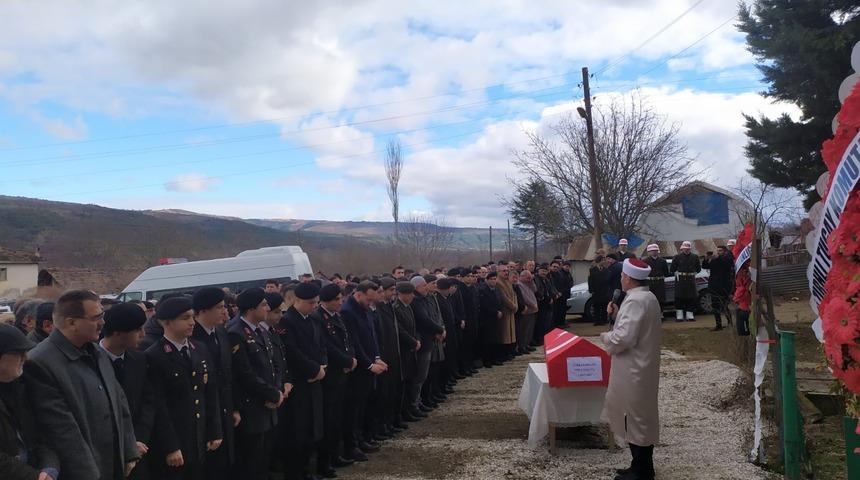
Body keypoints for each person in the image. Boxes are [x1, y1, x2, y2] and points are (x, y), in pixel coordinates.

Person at [25, 289, 139, 480]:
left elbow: (119, 402)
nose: (103, 323)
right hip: (82, 471)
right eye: (96, 318)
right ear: (72, 323)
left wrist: (129, 450)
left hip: (112, 463)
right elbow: (62, 429)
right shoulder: (40, 362)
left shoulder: (97, 352)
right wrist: (90, 474)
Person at [145, 296, 222, 480]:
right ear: (166, 322)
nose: (191, 322)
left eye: (192, 317)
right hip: (176, 439)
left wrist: (215, 430)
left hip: (199, 436)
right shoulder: (154, 356)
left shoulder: (199, 348)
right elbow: (159, 406)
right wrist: (170, 446)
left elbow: (209, 393)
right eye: (185, 318)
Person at [601, 259, 661, 480]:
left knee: (636, 417)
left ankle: (642, 471)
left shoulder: (636, 300)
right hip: (641, 365)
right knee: (637, 415)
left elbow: (625, 337)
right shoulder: (647, 297)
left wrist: (606, 337)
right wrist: (617, 316)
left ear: (627, 277)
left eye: (622, 276)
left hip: (634, 367)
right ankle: (640, 465)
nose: (621, 279)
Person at [228, 288, 283, 480]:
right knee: (250, 462)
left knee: (263, 460)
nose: (268, 308)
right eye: (264, 304)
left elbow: (273, 363)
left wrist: (277, 390)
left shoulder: (259, 330)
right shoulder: (236, 333)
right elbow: (245, 374)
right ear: (251, 308)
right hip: (252, 407)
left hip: (268, 406)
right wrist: (272, 394)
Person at [100, 303, 155, 480]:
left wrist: (137, 440)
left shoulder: (138, 359)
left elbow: (147, 401)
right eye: (137, 330)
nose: (143, 335)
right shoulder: (91, 361)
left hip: (139, 449)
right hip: (106, 454)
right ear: (117, 333)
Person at [279, 283, 326, 479]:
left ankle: (308, 469)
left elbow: (321, 344)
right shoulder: (287, 322)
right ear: (297, 301)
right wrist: (314, 369)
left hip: (315, 380)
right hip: (299, 383)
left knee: (312, 429)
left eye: (316, 302)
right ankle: (295, 473)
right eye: (310, 303)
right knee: (297, 432)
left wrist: (323, 365)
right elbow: (292, 352)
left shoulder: (313, 318)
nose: (314, 306)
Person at [0, 323, 59, 480]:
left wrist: (49, 467)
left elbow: (41, 435)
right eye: (18, 353)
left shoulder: (21, 387)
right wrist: (32, 476)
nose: (25, 358)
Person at [190, 287, 235, 480]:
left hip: (225, 409)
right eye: (219, 307)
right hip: (205, 415)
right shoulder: (192, 339)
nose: (224, 311)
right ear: (202, 311)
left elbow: (229, 376)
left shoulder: (221, 333)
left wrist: (235, 408)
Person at [340, 281, 386, 461]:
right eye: (368, 300)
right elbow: (354, 343)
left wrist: (377, 357)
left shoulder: (364, 309)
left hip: (369, 365)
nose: (371, 304)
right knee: (353, 410)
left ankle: (361, 439)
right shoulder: (347, 312)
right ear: (358, 294)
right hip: (358, 370)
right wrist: (368, 364)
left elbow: (371, 336)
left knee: (363, 407)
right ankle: (351, 446)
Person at [313, 283, 356, 472]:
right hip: (330, 376)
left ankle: (335, 455)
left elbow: (347, 340)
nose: (341, 302)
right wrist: (346, 361)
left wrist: (351, 359)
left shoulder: (336, 316)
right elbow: (327, 347)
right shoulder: (318, 318)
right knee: (329, 421)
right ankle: (324, 462)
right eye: (337, 299)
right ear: (327, 301)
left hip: (342, 374)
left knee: (338, 418)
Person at [392, 281, 421, 422]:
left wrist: (416, 340)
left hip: (411, 349)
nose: (412, 297)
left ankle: (410, 409)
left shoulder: (407, 307)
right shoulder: (396, 308)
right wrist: (413, 341)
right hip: (404, 350)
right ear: (402, 294)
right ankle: (403, 412)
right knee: (404, 384)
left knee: (411, 380)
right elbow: (401, 331)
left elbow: (413, 326)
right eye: (410, 294)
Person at [702, 246, 735, 331]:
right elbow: (705, 266)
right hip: (714, 286)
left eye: (720, 251)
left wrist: (718, 258)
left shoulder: (727, 258)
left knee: (724, 305)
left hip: (724, 286)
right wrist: (706, 258)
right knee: (715, 306)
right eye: (717, 251)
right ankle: (718, 325)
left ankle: (730, 323)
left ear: (724, 251)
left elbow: (728, 265)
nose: (718, 252)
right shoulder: (714, 260)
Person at [670, 241, 701, 322]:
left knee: (691, 297)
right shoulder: (677, 257)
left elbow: (698, 268)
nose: (686, 250)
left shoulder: (695, 257)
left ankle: (689, 314)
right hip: (680, 280)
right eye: (685, 249)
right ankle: (679, 315)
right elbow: (672, 268)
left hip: (690, 279)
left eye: (688, 249)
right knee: (679, 297)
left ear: (690, 249)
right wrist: (676, 272)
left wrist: (694, 273)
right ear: (682, 249)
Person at [476, 272, 503, 367]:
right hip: (487, 319)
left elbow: (500, 301)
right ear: (487, 280)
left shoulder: (497, 290)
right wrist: (495, 312)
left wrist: (499, 310)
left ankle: (494, 358)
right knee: (487, 341)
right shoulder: (483, 290)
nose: (493, 281)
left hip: (496, 318)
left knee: (495, 339)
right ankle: (487, 360)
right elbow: (484, 305)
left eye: (495, 279)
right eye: (491, 279)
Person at [494, 264, 518, 361]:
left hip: (511, 311)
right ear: (498, 272)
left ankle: (509, 352)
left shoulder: (508, 281)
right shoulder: (498, 283)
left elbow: (513, 295)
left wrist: (515, 306)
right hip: (505, 311)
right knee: (504, 334)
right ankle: (503, 354)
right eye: (503, 271)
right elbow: (504, 298)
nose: (506, 272)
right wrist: (513, 306)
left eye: (507, 270)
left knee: (510, 334)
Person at [515, 270, 538, 354]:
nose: (529, 279)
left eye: (529, 277)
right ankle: (522, 346)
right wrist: (532, 304)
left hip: (532, 310)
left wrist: (531, 281)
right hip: (527, 310)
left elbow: (535, 290)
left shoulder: (528, 283)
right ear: (522, 276)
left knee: (529, 329)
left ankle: (526, 344)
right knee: (523, 329)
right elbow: (524, 297)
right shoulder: (519, 284)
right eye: (527, 277)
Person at [588, 256, 609, 326]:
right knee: (596, 306)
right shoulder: (592, 270)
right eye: (602, 260)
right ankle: (596, 321)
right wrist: (591, 290)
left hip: (604, 291)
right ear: (599, 261)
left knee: (604, 306)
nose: (604, 262)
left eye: (604, 260)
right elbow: (590, 280)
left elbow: (607, 280)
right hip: (596, 291)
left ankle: (604, 320)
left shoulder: (606, 270)